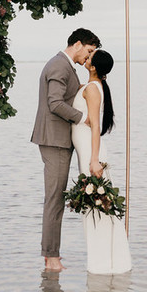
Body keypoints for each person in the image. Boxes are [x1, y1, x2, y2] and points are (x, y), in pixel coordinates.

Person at [31, 28, 101, 272]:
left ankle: (51, 255)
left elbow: (67, 95)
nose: (88, 57)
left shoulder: (65, 66)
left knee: (56, 198)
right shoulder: (60, 66)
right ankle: (51, 258)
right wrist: (84, 118)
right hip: (54, 140)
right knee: (55, 199)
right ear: (78, 44)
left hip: (58, 139)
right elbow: (55, 103)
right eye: (89, 51)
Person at [71, 50, 132, 274]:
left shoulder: (93, 89)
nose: (87, 56)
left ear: (94, 66)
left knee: (98, 208)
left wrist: (94, 160)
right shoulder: (90, 87)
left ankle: (105, 263)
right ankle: (102, 259)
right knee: (94, 207)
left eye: (90, 56)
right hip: (86, 152)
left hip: (91, 153)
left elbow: (96, 126)